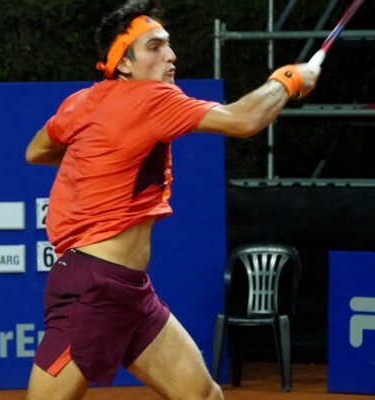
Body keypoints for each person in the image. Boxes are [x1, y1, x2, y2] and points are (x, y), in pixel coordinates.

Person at [24, 1, 319, 399]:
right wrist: (288, 79)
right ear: (124, 65)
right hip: (93, 289)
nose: (171, 55)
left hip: (130, 291)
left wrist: (100, 152)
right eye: (155, 47)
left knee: (203, 395)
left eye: (168, 45)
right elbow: (245, 119)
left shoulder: (83, 102)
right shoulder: (152, 98)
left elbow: (37, 150)